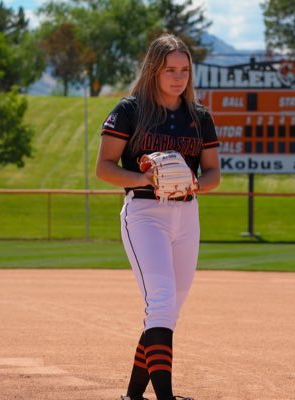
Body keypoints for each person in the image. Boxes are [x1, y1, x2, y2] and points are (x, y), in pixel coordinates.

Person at [96, 33, 220, 400]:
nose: (178, 77)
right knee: (162, 299)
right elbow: (103, 167)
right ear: (154, 70)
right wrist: (140, 177)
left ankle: (133, 397)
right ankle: (165, 397)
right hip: (145, 211)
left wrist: (197, 184)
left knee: (166, 311)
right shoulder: (130, 110)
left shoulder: (199, 117)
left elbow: (213, 173)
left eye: (184, 69)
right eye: (170, 69)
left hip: (187, 214)